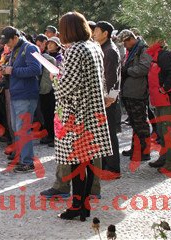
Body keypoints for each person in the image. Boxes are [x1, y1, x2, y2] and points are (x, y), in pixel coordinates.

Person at [54, 12, 112, 221]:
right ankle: (83, 205)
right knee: (87, 160)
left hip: (77, 113)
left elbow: (66, 86)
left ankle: (77, 206)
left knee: (77, 161)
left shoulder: (75, 50)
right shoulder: (94, 47)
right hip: (93, 110)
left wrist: (54, 77)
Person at [0, 26, 42, 173]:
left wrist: (12, 70)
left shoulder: (30, 48)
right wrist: (6, 69)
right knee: (17, 128)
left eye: (8, 41)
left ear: (15, 38)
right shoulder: (16, 49)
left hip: (26, 95)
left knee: (23, 129)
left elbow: (36, 69)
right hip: (17, 93)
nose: (6, 44)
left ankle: (28, 162)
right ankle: (22, 157)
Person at [146, 39, 171, 173]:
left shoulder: (165, 55)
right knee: (161, 131)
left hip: (168, 100)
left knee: (168, 132)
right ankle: (164, 158)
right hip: (159, 101)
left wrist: (163, 89)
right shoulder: (155, 56)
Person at [118, 29, 152, 161]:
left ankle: (145, 152)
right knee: (134, 123)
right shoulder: (133, 50)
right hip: (130, 91)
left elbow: (144, 68)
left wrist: (128, 71)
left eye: (125, 43)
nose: (124, 46)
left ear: (131, 39)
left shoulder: (143, 49)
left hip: (138, 91)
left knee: (141, 123)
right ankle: (136, 148)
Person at [93, 21, 122, 177]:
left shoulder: (109, 50)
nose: (93, 34)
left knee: (109, 133)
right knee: (104, 132)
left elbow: (112, 77)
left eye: (96, 31)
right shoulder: (103, 48)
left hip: (108, 99)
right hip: (105, 97)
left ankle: (113, 168)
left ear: (105, 33)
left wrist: (109, 97)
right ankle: (105, 165)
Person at [36, 34, 57, 147]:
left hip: (50, 90)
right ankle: (49, 134)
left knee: (51, 114)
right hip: (42, 89)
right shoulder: (43, 56)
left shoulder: (51, 58)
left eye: (52, 44)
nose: (49, 46)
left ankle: (53, 136)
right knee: (45, 114)